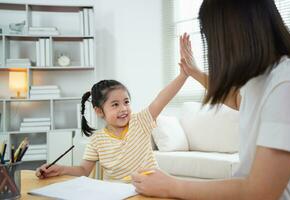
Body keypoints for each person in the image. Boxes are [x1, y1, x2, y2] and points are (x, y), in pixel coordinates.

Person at [132, 0, 290, 199]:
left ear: (234, 33)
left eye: (212, 38)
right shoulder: (260, 79)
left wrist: (172, 186)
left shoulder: (289, 82)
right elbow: (238, 100)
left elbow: (259, 191)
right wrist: (194, 72)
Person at [35, 65, 188, 181]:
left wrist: (183, 75)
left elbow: (161, 99)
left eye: (126, 102)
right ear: (99, 111)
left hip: (151, 186)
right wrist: (60, 169)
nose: (123, 109)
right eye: (115, 104)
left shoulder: (140, 121)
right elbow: (83, 170)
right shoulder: (97, 140)